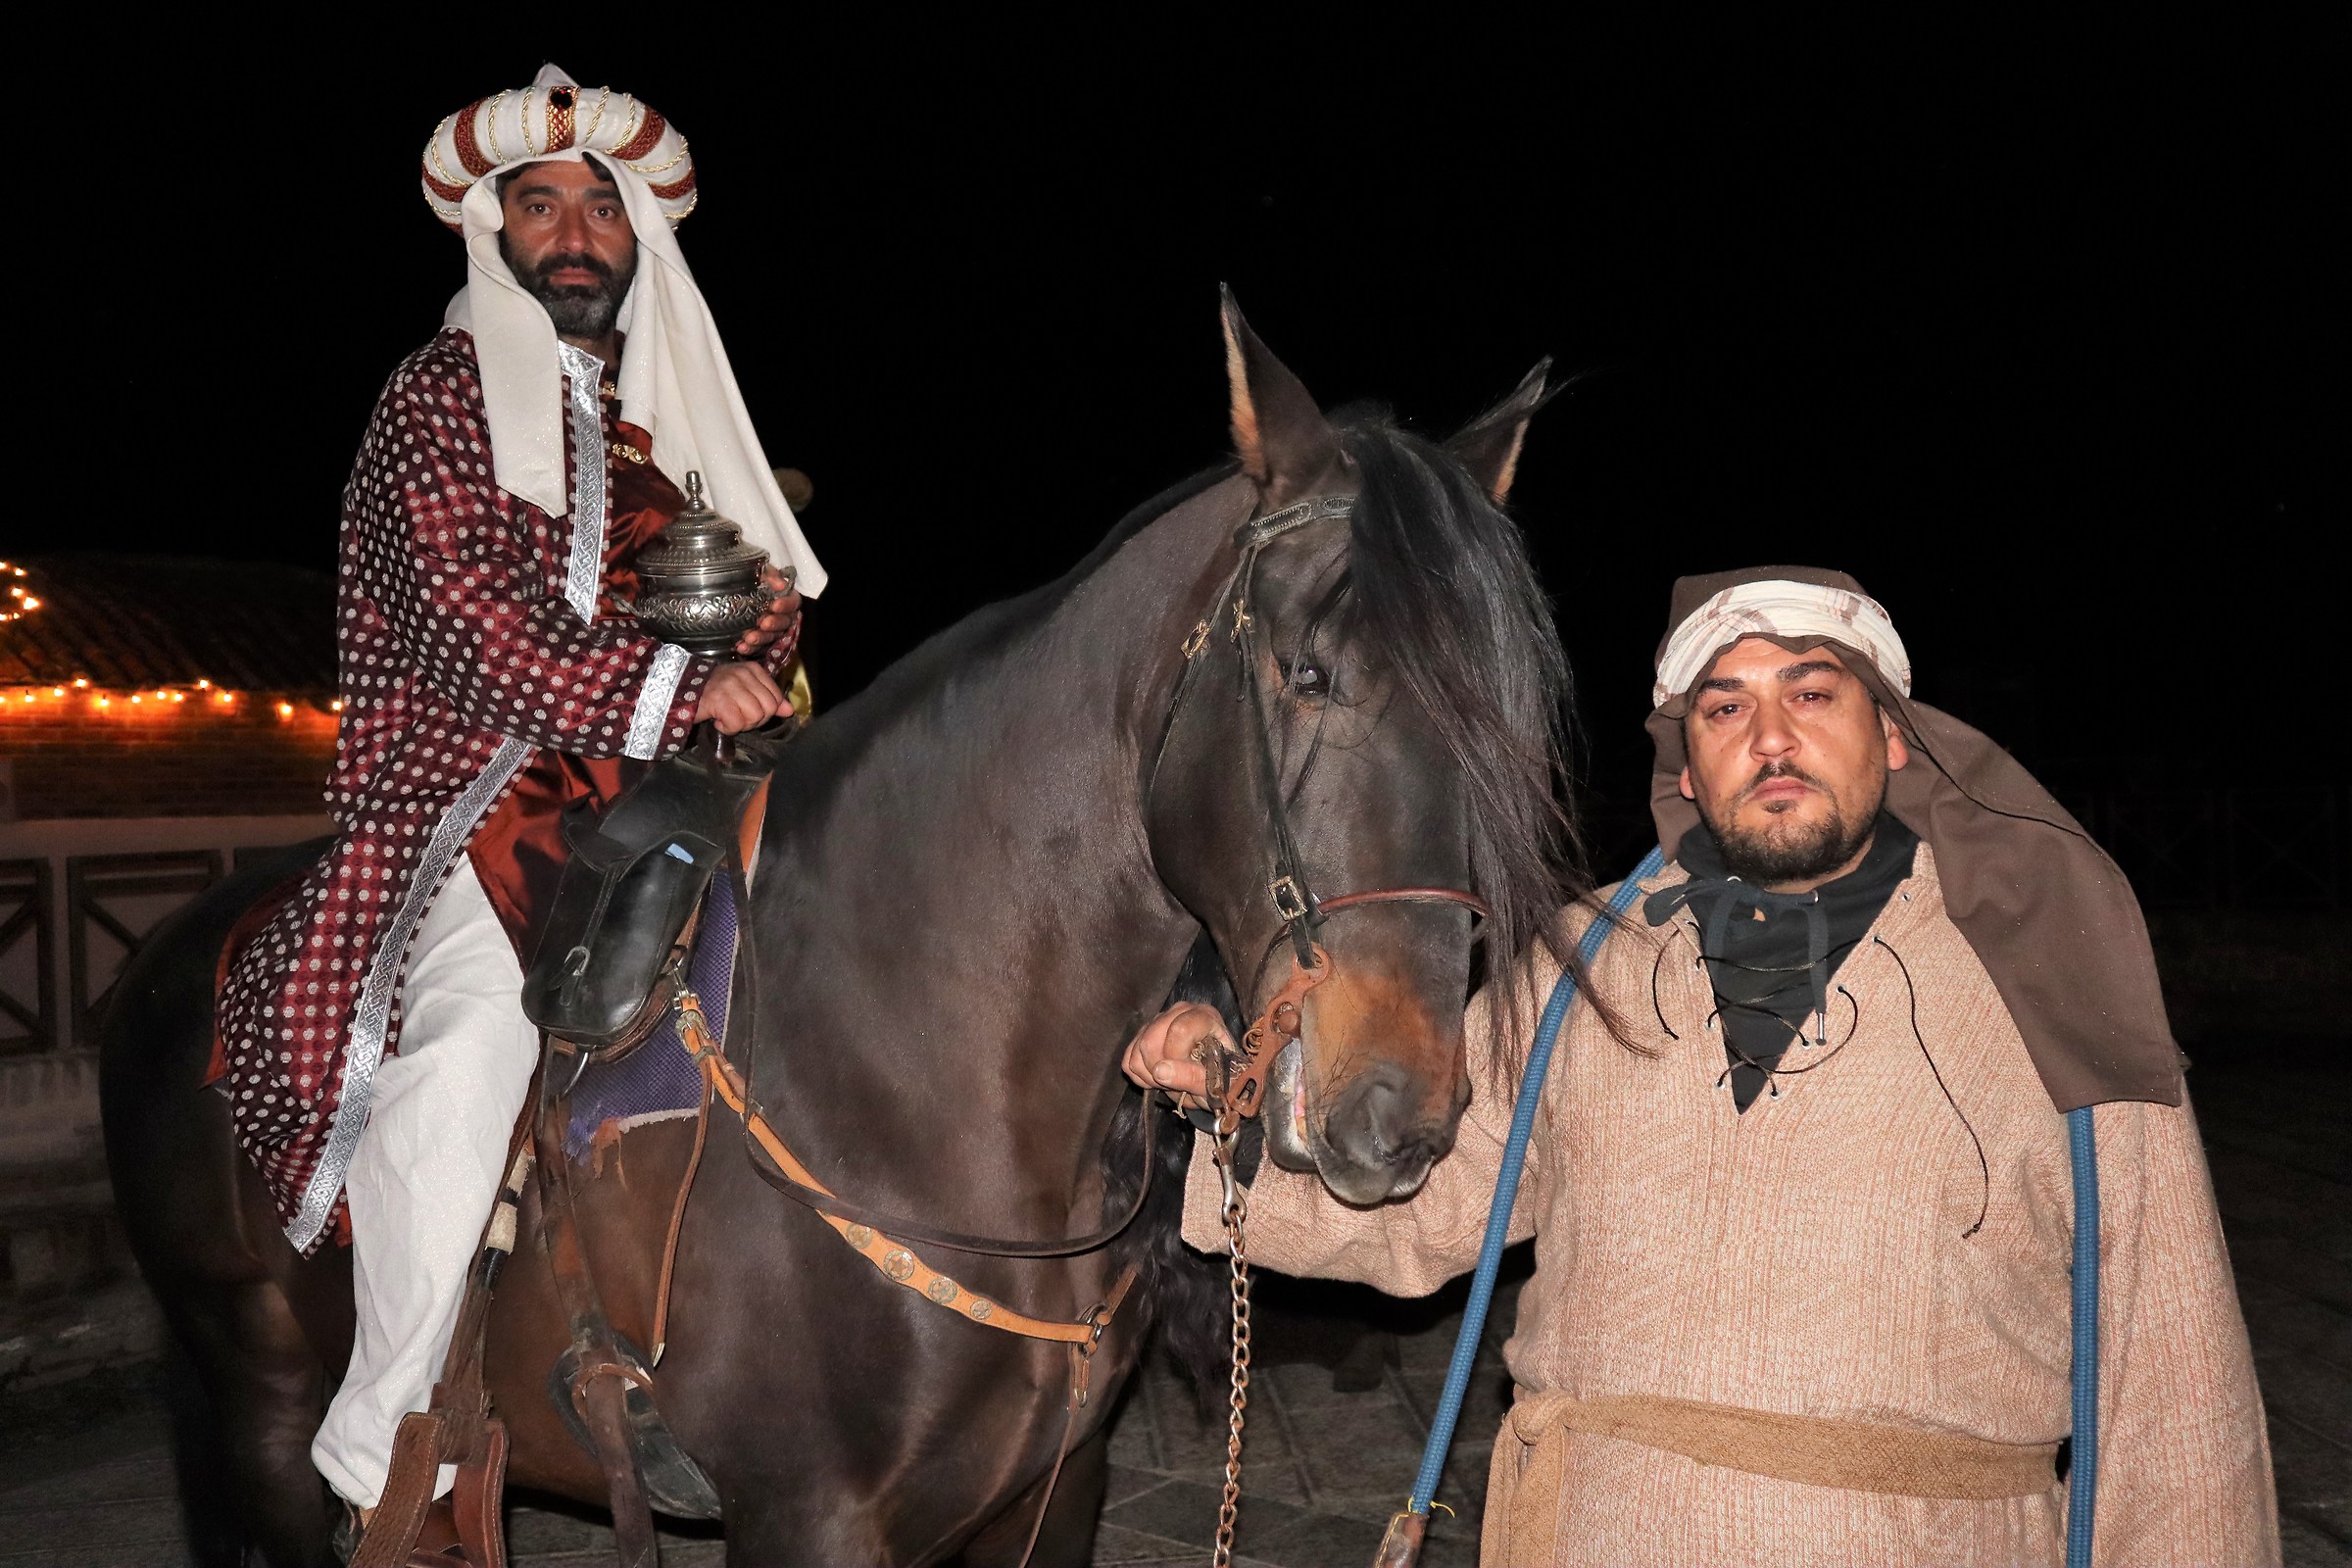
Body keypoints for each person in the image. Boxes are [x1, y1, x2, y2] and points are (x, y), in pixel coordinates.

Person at [1125, 566, 2278, 1565]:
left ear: (1892, 734)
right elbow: (1417, 1212)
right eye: (1725, 709)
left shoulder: (2047, 966)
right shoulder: (1586, 959)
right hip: (1588, 1532)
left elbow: (2169, 1373)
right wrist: (1225, 1100)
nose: (1769, 739)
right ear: (1688, 765)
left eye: (1812, 694)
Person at [211, 65, 825, 1543]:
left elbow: (762, 594)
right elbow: (481, 624)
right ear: (494, 235)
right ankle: (391, 1452)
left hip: (675, 788)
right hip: (479, 795)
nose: (569, 231)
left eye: (596, 207)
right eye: (537, 205)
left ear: (638, 240)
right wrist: (684, 693)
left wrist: (752, 653)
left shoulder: (664, 426)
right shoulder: (432, 406)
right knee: (481, 1038)